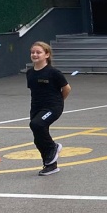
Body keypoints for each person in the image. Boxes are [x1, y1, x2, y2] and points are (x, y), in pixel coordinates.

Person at [27, 41, 70, 176]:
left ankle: (54, 147)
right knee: (38, 135)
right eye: (33, 52)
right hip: (36, 107)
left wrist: (58, 102)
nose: (35, 54)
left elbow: (67, 88)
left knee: (37, 124)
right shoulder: (30, 73)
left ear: (47, 54)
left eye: (38, 52)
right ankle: (50, 165)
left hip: (52, 106)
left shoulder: (53, 72)